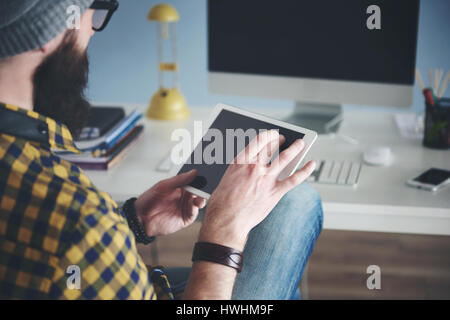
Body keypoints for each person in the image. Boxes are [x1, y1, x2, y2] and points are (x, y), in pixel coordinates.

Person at [0, 0, 323, 300]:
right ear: (48, 29)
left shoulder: (69, 209)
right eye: (94, 15)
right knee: (297, 201)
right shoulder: (79, 217)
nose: (90, 33)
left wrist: (130, 221)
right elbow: (70, 236)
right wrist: (225, 228)